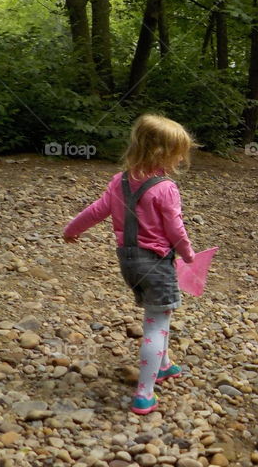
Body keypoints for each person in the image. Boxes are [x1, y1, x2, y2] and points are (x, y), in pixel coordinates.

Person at [63, 114, 197, 415]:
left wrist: (72, 229)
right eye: (178, 153)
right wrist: (188, 254)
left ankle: (163, 366)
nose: (180, 159)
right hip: (156, 262)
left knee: (158, 310)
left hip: (128, 261)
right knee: (157, 324)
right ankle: (144, 393)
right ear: (163, 153)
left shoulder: (119, 181)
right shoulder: (165, 188)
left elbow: (97, 211)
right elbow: (175, 229)